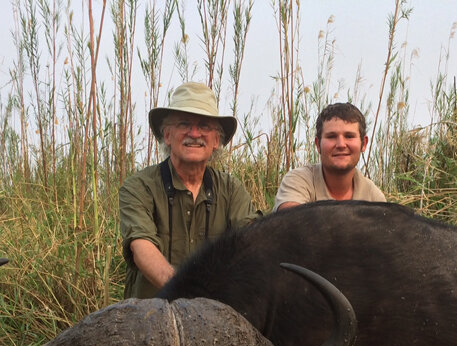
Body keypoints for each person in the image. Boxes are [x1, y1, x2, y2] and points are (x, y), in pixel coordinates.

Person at [120, 82, 259, 298]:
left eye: (204, 126)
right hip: (148, 317)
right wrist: (188, 293)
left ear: (216, 141)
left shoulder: (232, 190)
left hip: (216, 314)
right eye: (184, 124)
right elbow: (141, 246)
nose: (194, 134)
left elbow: (253, 244)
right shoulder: (139, 186)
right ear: (167, 135)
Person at [273, 102, 386, 211]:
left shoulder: (374, 197)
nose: (341, 144)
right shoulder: (298, 180)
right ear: (318, 144)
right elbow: (290, 222)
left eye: (349, 136)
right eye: (331, 136)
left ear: (364, 143)